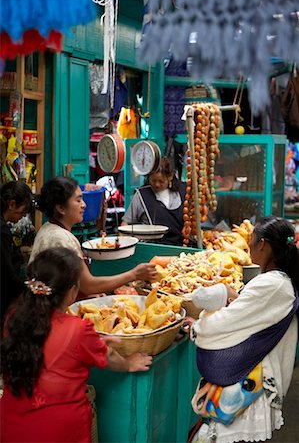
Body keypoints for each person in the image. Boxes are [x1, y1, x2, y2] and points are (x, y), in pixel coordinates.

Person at [1, 247, 152, 442]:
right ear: (73, 291)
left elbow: (46, 348)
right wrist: (129, 363)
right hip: (60, 432)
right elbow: (109, 357)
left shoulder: (14, 317)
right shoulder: (78, 329)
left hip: (11, 426)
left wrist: (89, 344)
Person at [184, 216, 299, 442]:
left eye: (251, 239)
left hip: (248, 389)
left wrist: (197, 325)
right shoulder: (278, 281)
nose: (248, 243)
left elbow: (224, 324)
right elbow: (254, 314)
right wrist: (234, 296)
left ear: (263, 244)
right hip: (253, 384)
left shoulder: (272, 284)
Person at [29, 176, 156, 296]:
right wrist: (134, 275)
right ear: (61, 208)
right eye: (78, 200)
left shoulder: (49, 228)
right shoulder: (61, 238)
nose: (84, 205)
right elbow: (88, 285)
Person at [122, 156, 186, 246]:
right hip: (153, 247)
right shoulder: (141, 195)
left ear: (170, 176)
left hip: (183, 247)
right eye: (153, 180)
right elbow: (125, 224)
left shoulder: (183, 190)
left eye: (161, 181)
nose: (157, 184)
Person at [0, 180, 32, 318]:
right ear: (12, 204)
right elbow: (6, 274)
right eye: (23, 211)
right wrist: (30, 291)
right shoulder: (2, 231)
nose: (23, 216)